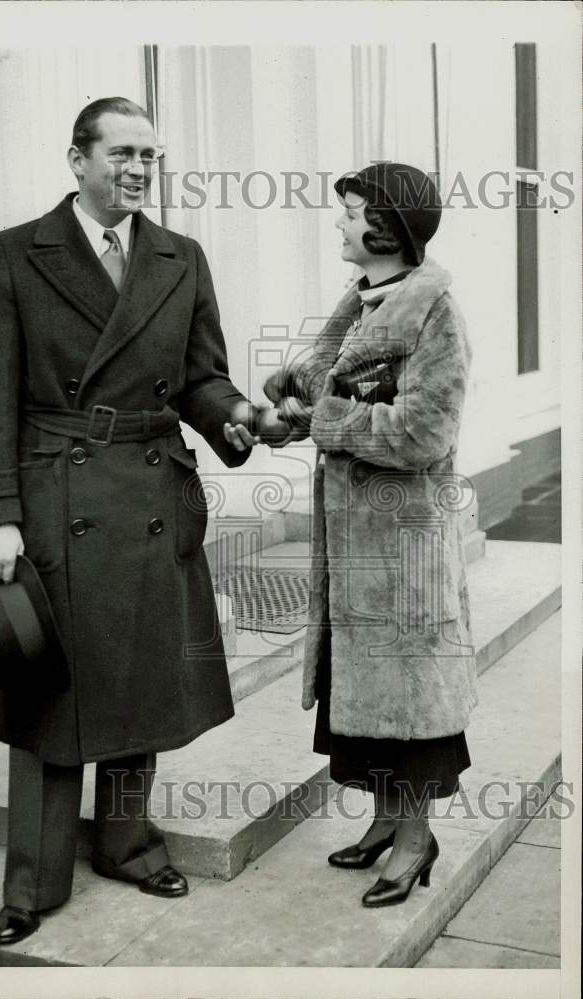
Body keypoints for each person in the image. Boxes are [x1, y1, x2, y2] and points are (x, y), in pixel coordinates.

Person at [0, 96, 259, 945]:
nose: (138, 170)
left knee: (139, 678)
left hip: (152, 490)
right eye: (122, 153)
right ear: (78, 160)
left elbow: (201, 379)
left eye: (149, 156)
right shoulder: (15, 253)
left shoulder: (179, 256)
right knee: (45, 690)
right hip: (56, 496)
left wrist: (238, 415)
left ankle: (128, 845)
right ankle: (33, 882)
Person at [260, 162, 478, 907]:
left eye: (351, 212)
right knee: (367, 698)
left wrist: (325, 417)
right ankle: (386, 823)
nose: (340, 222)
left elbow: (423, 430)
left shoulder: (434, 311)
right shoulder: (362, 298)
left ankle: (416, 841)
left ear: (386, 227)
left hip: (404, 546)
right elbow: (331, 391)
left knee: (411, 701)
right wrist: (293, 398)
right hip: (357, 545)